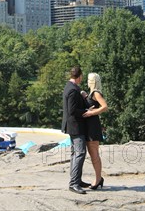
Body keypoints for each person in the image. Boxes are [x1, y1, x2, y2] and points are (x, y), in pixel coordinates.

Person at [62, 66, 90, 195]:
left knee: (75, 153)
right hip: (75, 126)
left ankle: (77, 180)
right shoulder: (72, 90)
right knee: (79, 153)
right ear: (79, 76)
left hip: (73, 126)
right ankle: (74, 183)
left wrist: (83, 96)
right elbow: (72, 111)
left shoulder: (71, 87)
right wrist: (86, 111)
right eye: (82, 77)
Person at [82, 72, 108, 190]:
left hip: (93, 126)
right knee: (92, 153)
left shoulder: (96, 93)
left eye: (88, 79)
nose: (87, 81)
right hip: (89, 126)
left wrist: (91, 112)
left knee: (94, 154)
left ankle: (98, 179)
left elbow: (105, 107)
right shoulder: (92, 93)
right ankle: (98, 178)